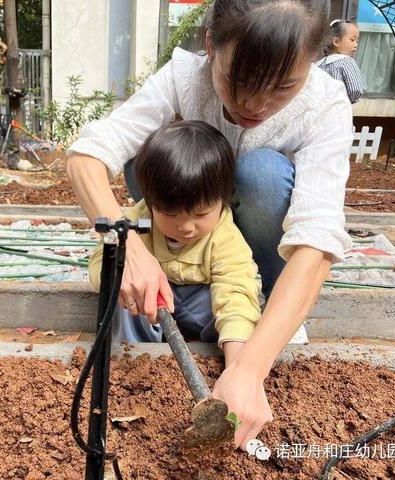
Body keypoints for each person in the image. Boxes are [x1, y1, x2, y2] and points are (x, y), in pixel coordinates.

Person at [67, 0, 352, 450]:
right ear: (209, 47)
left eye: (283, 86)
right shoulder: (185, 77)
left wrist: (248, 366)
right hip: (176, 236)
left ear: (311, 63)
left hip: (253, 255)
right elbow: (89, 156)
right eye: (237, 81)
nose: (255, 104)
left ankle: (266, 316)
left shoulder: (323, 105)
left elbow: (316, 240)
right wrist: (130, 251)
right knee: (153, 160)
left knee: (260, 174)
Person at [89, 121, 261, 348]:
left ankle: (212, 350)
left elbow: (236, 292)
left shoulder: (225, 236)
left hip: (199, 303)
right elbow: (100, 260)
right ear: (150, 204)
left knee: (227, 308)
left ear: (223, 200)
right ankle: (133, 353)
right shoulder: (139, 219)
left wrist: (237, 356)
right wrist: (119, 278)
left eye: (200, 214)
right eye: (170, 214)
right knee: (125, 295)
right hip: (152, 302)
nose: (186, 227)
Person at [317, 19, 364, 103]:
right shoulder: (346, 61)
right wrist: (345, 102)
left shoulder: (320, 64)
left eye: (357, 41)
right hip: (339, 108)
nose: (356, 44)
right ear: (336, 41)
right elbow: (355, 89)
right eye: (352, 40)